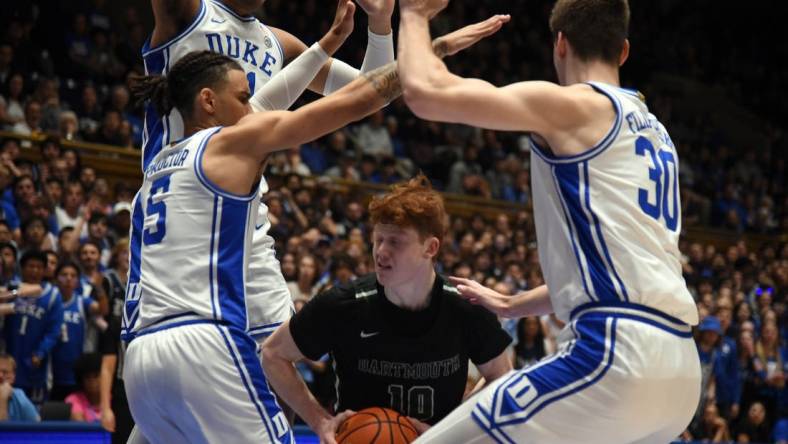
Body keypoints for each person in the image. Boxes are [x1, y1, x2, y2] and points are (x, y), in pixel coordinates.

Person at [398, 0, 701, 442]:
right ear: (623, 51)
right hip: (680, 372)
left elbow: (426, 93)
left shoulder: (576, 106)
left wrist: (413, 16)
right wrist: (514, 304)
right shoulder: (657, 134)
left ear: (560, 44)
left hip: (615, 356)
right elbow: (624, 269)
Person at [121, 17, 410, 436]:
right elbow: (358, 100)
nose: (251, 106)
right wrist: (422, 46)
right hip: (204, 336)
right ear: (207, 101)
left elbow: (273, 98)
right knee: (272, 376)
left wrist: (325, 45)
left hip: (141, 354)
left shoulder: (156, 169)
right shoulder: (230, 141)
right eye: (242, 98)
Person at [262, 176, 512, 443]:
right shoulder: (345, 304)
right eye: (378, 239)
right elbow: (273, 354)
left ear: (431, 247)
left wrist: (452, 429)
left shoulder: (465, 308)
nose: (381, 251)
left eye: (396, 242)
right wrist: (319, 420)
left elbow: (502, 375)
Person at [2, 251, 64, 406]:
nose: (35, 271)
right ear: (22, 268)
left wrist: (41, 352)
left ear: (44, 270)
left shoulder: (53, 295)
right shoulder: (10, 288)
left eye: (39, 267)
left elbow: (54, 330)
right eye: (30, 266)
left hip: (35, 362)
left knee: (34, 408)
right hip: (8, 353)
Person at [51, 262, 103, 401]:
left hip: (75, 369)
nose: (68, 278)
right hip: (51, 369)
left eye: (73, 276)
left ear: (77, 281)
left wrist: (99, 288)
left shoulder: (82, 301)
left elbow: (103, 310)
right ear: (56, 278)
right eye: (64, 275)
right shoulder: (49, 300)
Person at [0, 353, 40, 421]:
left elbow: (38, 426)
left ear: (13, 377)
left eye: (5, 372)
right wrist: (2, 400)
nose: (0, 375)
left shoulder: (19, 396)